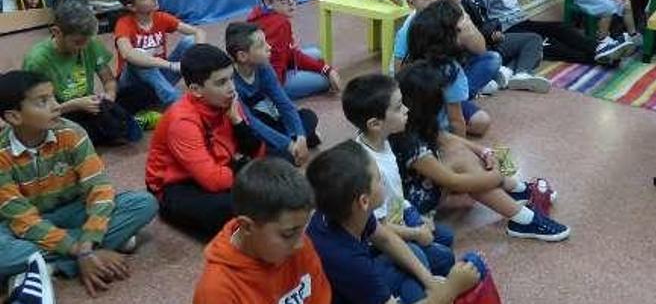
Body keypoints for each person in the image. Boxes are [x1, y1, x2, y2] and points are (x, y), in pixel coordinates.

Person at [0, 71, 158, 296]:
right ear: (14, 117)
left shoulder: (71, 132)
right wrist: (81, 249)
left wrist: (85, 245)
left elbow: (99, 187)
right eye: (43, 101)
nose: (56, 106)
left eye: (54, 97)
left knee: (143, 203)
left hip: (75, 209)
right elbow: (21, 218)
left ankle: (46, 266)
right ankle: (97, 249)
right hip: (21, 226)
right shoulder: (2, 153)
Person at [393, 61, 569, 242]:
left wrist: (482, 151)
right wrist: (495, 177)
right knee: (463, 165)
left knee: (460, 152)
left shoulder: (411, 120)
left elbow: (445, 138)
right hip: (413, 208)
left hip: (417, 188)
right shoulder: (409, 142)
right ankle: (524, 217)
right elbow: (455, 182)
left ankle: (518, 194)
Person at [306, 140, 480, 304]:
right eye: (378, 178)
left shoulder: (348, 210)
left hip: (366, 269)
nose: (383, 181)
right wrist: (451, 290)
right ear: (364, 201)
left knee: (435, 257)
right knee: (414, 286)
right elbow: (365, 265)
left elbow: (386, 239)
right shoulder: (349, 261)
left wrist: (431, 283)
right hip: (356, 286)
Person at [145, 44, 264, 239]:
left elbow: (257, 151)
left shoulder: (227, 101)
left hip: (218, 166)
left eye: (231, 79)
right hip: (176, 186)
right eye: (221, 82)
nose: (231, 88)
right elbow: (213, 180)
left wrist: (237, 121)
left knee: (279, 163)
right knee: (231, 207)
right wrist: (250, 174)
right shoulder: (182, 121)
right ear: (196, 90)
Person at [343, 74, 455, 277]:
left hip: (398, 217)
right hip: (377, 240)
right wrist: (416, 233)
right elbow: (377, 229)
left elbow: (397, 196)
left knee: (445, 236)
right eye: (398, 107)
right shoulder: (367, 166)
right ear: (375, 124)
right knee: (444, 257)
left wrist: (417, 217)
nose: (407, 110)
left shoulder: (383, 141)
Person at [192, 158, 332, 304]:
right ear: (247, 227)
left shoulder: (298, 247)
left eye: (303, 229)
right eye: (287, 234)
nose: (300, 243)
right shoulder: (217, 292)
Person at [23, 0, 141, 146]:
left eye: (87, 41)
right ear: (56, 32)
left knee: (142, 91)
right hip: (59, 112)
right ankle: (108, 130)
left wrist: (109, 95)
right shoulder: (37, 60)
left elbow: (108, 79)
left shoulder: (89, 43)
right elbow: (34, 110)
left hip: (89, 106)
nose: (83, 47)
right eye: (77, 42)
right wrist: (76, 104)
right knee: (67, 135)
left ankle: (109, 129)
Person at [452, 0, 550, 94]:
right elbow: (472, 33)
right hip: (480, 48)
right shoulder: (461, 0)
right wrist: (491, 33)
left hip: (490, 40)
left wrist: (494, 31)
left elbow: (484, 21)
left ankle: (511, 73)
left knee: (534, 43)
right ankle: (517, 72)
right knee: (532, 51)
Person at [225, 22, 320, 166]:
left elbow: (284, 103)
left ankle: (299, 142)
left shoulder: (263, 66)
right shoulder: (230, 81)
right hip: (249, 129)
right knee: (275, 152)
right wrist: (289, 144)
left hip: (267, 118)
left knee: (308, 116)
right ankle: (297, 144)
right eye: (261, 45)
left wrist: (300, 136)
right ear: (242, 56)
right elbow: (251, 122)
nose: (269, 47)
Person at [113, 0, 206, 109]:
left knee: (190, 42)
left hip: (159, 78)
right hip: (133, 86)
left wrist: (199, 55)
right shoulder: (124, 24)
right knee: (138, 56)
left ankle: (200, 88)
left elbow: (198, 32)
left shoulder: (161, 17)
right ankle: (176, 102)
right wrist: (171, 65)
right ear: (132, 7)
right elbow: (128, 54)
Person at [406, 0, 493, 138]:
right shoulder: (450, 71)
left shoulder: (415, 61)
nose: (467, 22)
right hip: (436, 137)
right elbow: (456, 121)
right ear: (453, 34)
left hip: (410, 133)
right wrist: (462, 150)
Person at [247, 0, 341, 101]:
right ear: (268, 2)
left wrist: (324, 68)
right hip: (270, 85)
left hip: (257, 75)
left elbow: (289, 53)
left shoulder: (258, 13)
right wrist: (326, 72)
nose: (291, 2)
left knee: (316, 53)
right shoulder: (280, 24)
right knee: (324, 81)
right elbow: (277, 66)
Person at [429, 0, 503, 97]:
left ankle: (462, 94)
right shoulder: (424, 20)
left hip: (455, 68)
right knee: (480, 118)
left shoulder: (457, 9)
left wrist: (463, 16)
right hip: (435, 79)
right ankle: (457, 99)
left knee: (493, 58)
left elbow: (481, 49)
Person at [394, 0, 445, 74]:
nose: (432, 1)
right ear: (411, 3)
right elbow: (398, 65)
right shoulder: (408, 30)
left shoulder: (446, 18)